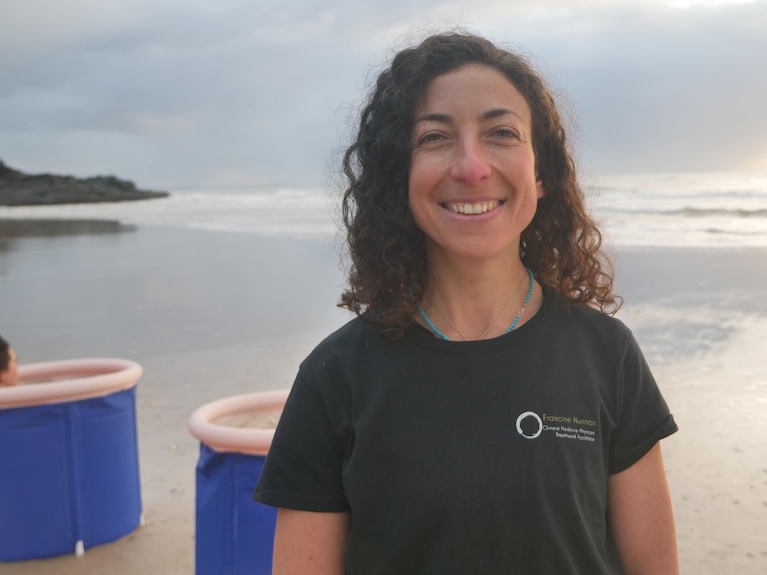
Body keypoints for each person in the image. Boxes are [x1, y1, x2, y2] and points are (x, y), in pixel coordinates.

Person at [254, 31, 679, 574]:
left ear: (541, 173)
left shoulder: (607, 354)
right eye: (435, 138)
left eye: (501, 132)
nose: (472, 167)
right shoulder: (334, 377)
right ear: (398, 175)